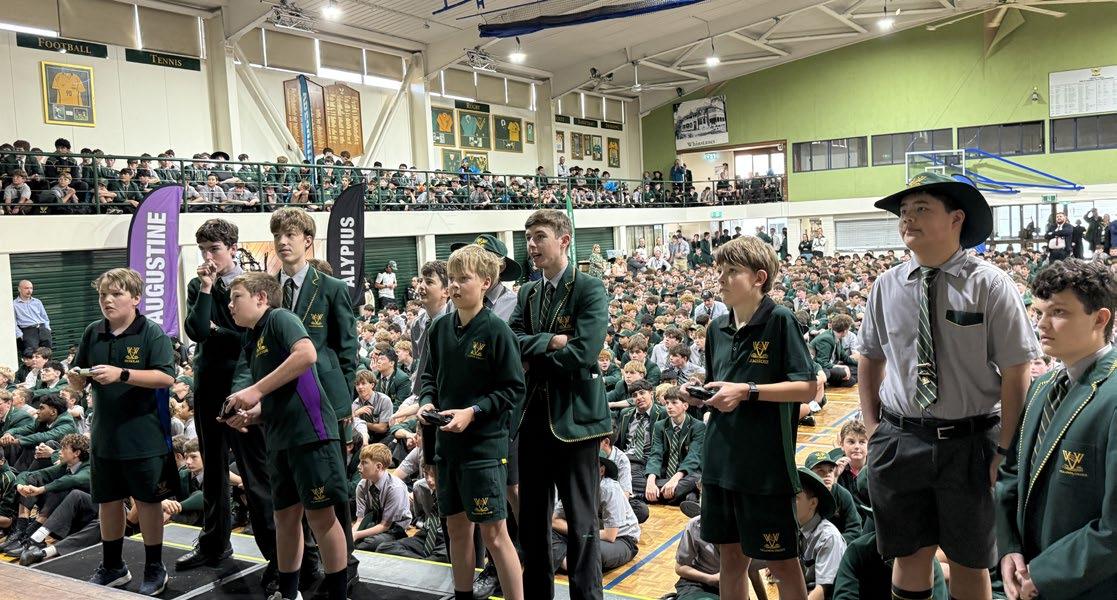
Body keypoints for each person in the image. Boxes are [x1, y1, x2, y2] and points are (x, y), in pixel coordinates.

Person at [858, 172, 1039, 600]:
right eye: (904, 211)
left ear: (956, 218)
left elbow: (1017, 371)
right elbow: (869, 357)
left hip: (971, 443)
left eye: (922, 209)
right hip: (900, 439)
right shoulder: (886, 285)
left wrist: (1004, 449)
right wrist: (872, 429)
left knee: (970, 562)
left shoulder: (990, 284)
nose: (908, 219)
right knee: (908, 556)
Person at [679, 235, 819, 600]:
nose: (721, 279)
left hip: (765, 467)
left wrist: (747, 390)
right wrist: (702, 396)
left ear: (759, 277)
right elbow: (722, 388)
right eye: (720, 270)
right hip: (720, 462)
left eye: (731, 271)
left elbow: (807, 387)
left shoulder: (780, 320)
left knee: (782, 563)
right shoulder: (716, 328)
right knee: (730, 559)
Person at [223, 272, 349, 600]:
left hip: (311, 434)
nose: (230, 305)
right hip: (280, 439)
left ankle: (338, 594)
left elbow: (306, 355)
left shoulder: (280, 318)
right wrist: (253, 413)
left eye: (236, 297)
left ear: (261, 298)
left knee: (321, 517)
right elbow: (279, 394)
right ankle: (289, 593)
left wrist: (255, 390)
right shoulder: (253, 339)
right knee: (284, 519)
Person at [996, 259, 1117, 599]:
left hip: (1089, 585)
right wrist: (1009, 548)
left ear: (1100, 318)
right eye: (1039, 312)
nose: (1042, 324)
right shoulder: (1041, 387)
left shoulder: (1112, 396)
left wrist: (1045, 573)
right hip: (1027, 574)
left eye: (1059, 312)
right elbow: (1011, 474)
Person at [510, 209, 612, 600]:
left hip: (576, 422)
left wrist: (533, 359)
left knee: (583, 523)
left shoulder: (589, 288)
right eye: (528, 238)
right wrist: (551, 341)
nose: (531, 245)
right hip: (532, 419)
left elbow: (584, 352)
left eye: (539, 236)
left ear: (564, 240)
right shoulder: (527, 292)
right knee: (533, 522)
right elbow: (512, 340)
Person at [418, 243, 525, 600]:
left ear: (486, 282)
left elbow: (513, 389)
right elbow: (429, 377)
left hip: (484, 448)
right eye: (451, 278)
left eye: (464, 279)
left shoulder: (497, 330)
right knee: (456, 529)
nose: (455, 285)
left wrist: (473, 411)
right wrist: (427, 401)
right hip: (448, 447)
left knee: (495, 535)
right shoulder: (439, 328)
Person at [178, 219, 276, 588]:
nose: (208, 256)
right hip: (208, 386)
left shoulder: (250, 285)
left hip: (244, 387)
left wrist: (219, 331)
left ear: (233, 248)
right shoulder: (198, 285)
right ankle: (214, 543)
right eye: (203, 249)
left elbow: (248, 337)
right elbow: (197, 330)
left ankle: (278, 556)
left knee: (256, 474)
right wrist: (206, 288)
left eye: (215, 249)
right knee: (212, 470)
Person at [67, 268, 177, 595]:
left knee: (148, 502)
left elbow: (166, 377)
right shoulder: (93, 331)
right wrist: (76, 380)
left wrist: (123, 374)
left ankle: (155, 567)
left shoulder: (151, 333)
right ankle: (113, 565)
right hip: (105, 435)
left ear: (136, 298)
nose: (108, 300)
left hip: (144, 435)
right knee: (108, 502)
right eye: (103, 294)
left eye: (116, 294)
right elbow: (79, 378)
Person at [269, 207, 358, 588]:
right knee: (290, 498)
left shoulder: (332, 287)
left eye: (290, 235)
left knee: (331, 492)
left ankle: (345, 563)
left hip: (325, 404)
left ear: (307, 241)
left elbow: (348, 349)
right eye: (277, 235)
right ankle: (303, 567)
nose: (283, 242)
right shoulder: (268, 290)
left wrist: (343, 401)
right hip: (282, 405)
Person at [551, 451, 640, 574]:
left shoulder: (609, 489)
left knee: (593, 551)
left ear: (601, 470)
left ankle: (561, 558)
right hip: (586, 533)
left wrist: (582, 535)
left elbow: (610, 535)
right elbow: (554, 520)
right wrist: (578, 532)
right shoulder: (573, 486)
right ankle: (567, 562)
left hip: (621, 539)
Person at [644, 388, 704, 508]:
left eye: (674, 403)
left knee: (697, 477)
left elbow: (693, 457)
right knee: (637, 477)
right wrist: (650, 482)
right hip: (665, 473)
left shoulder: (698, 426)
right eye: (667, 403)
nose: (669, 407)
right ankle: (686, 496)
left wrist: (675, 479)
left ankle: (648, 496)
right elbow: (656, 454)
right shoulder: (659, 425)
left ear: (685, 406)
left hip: (687, 474)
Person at [795, 468, 847, 600]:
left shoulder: (828, 537)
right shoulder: (795, 529)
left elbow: (822, 591)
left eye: (795, 498)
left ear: (813, 503)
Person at [351, 443, 411, 551]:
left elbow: (385, 526)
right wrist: (352, 534)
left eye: (364, 463)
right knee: (348, 540)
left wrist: (357, 535)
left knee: (369, 544)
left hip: (393, 527)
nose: (358, 466)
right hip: (372, 522)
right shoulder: (362, 485)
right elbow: (360, 520)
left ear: (378, 466)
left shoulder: (394, 488)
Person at [809, 314, 859, 387]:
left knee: (857, 369)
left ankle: (841, 379)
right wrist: (842, 367)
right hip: (821, 369)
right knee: (843, 373)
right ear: (845, 331)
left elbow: (845, 358)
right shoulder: (826, 339)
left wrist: (859, 364)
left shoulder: (836, 336)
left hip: (830, 366)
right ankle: (834, 381)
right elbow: (822, 363)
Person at [13, 279, 52, 357]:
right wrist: (19, 334)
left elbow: (44, 317)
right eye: (26, 288)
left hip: (43, 329)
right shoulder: (14, 304)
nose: (29, 290)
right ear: (19, 289)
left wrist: (47, 328)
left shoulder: (37, 302)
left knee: (47, 355)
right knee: (32, 356)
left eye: (31, 288)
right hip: (28, 332)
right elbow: (13, 322)